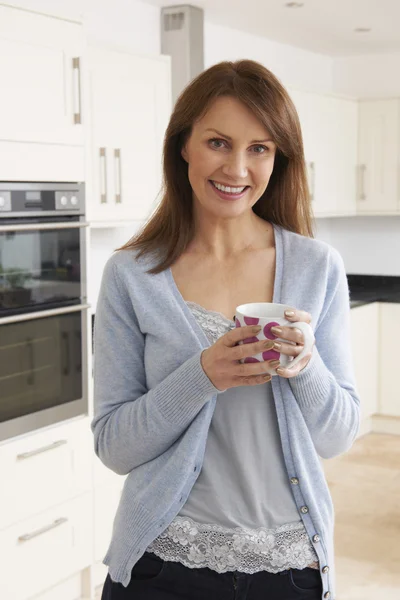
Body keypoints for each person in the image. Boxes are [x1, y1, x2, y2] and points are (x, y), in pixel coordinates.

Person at [92, 59, 360, 600]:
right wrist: (203, 375)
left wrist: (307, 366)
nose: (237, 168)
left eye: (259, 148)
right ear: (183, 146)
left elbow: (338, 436)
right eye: (218, 142)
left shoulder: (316, 266)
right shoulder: (132, 274)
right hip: (160, 564)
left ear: (278, 158)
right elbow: (114, 447)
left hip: (289, 569)